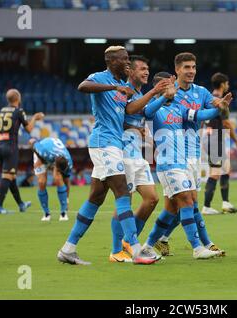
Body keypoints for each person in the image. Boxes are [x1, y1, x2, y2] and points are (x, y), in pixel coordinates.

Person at [57, 46, 169, 265]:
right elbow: (82, 86)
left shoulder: (125, 88)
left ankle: (68, 249)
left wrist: (135, 125)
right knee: (122, 192)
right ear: (111, 61)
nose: (128, 62)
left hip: (114, 144)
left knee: (96, 197)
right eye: (124, 59)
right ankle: (135, 249)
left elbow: (127, 113)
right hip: (103, 143)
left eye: (128, 58)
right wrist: (115, 86)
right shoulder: (102, 78)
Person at [140, 72, 231, 260]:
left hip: (182, 163)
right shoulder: (153, 108)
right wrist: (163, 95)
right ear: (161, 88)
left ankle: (148, 245)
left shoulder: (178, 108)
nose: (175, 89)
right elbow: (147, 112)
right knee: (188, 201)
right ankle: (198, 248)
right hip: (168, 164)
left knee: (172, 209)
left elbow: (199, 115)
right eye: (170, 86)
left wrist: (220, 108)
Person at [109, 55, 162, 263]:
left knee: (151, 199)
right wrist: (155, 92)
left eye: (147, 68)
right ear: (130, 71)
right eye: (141, 68)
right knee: (125, 201)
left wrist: (163, 97)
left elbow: (145, 112)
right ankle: (116, 250)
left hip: (137, 155)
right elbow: (121, 115)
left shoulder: (139, 93)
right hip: (122, 153)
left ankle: (129, 243)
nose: (146, 71)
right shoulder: (123, 91)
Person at [0, 88, 44, 214]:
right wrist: (35, 118)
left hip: (0, 145)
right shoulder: (19, 111)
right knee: (7, 176)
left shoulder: (2, 110)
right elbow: (29, 129)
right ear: (18, 98)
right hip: (10, 147)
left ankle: (21, 204)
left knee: (12, 177)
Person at [202, 72, 237, 215]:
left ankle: (225, 203)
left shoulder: (208, 99)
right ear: (223, 84)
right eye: (227, 83)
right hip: (215, 138)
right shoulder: (221, 102)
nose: (228, 85)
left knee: (226, 168)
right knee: (215, 172)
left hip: (210, 137)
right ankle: (206, 206)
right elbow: (226, 123)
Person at [29, 137, 73, 222]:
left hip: (54, 154)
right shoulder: (44, 152)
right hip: (43, 152)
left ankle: (63, 213)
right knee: (41, 182)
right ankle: (46, 213)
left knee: (58, 179)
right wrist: (40, 158)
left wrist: (67, 199)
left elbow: (67, 181)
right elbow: (31, 141)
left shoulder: (69, 164)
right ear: (55, 166)